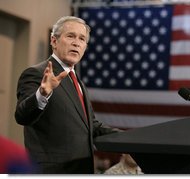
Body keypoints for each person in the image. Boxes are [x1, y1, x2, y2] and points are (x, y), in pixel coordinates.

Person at [15, 16, 121, 174]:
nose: (76, 43)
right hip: (52, 171)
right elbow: (22, 116)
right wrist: (42, 94)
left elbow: (91, 126)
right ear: (54, 41)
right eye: (70, 36)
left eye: (82, 39)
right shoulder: (37, 73)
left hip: (80, 170)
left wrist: (130, 137)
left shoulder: (77, 81)